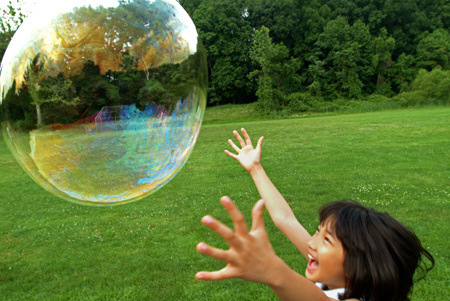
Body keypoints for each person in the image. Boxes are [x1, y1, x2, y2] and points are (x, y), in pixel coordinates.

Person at [195, 128, 434, 301]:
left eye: (327, 239)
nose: (311, 242)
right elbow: (285, 220)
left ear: (360, 266)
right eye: (318, 232)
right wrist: (256, 169)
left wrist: (273, 271)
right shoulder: (335, 277)